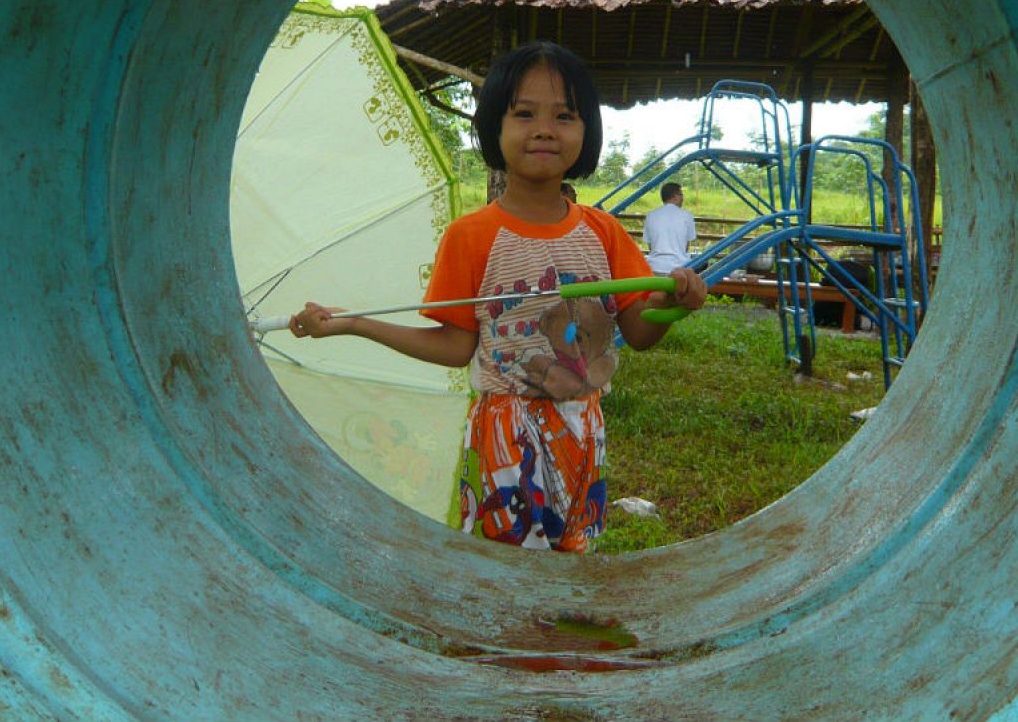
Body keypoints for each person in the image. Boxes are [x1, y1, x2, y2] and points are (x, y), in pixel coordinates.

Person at [290, 41, 706, 553]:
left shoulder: (604, 233)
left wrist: (676, 302)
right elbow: (455, 345)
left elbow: (641, 332)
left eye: (565, 115)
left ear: (587, 131)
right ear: (494, 127)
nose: (545, 129)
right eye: (524, 113)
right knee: (501, 564)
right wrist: (355, 323)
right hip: (503, 436)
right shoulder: (471, 236)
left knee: (572, 560)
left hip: (583, 428)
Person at [643, 181, 697, 274]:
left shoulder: (651, 215)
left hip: (654, 267)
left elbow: (650, 246)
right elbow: (686, 246)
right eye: (681, 195)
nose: (682, 198)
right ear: (674, 196)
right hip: (679, 268)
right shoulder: (687, 215)